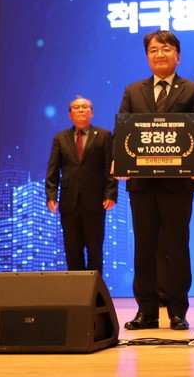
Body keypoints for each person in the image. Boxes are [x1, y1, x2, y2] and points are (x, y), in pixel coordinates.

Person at [117, 29, 194, 330]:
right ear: (147, 57)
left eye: (166, 49)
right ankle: (146, 311)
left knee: (177, 246)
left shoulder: (192, 90)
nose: (160, 54)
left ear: (177, 56)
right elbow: (123, 131)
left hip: (178, 183)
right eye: (154, 50)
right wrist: (119, 158)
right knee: (144, 247)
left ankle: (177, 311)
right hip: (142, 183)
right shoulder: (133, 91)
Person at [46, 96, 117, 272]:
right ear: (70, 115)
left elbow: (110, 168)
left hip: (95, 202)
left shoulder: (104, 135)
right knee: (72, 250)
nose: (80, 110)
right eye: (76, 107)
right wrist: (51, 195)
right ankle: (76, 288)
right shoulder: (60, 138)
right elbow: (53, 169)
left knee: (95, 250)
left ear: (92, 112)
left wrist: (111, 194)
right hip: (69, 203)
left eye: (85, 107)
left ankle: (95, 288)